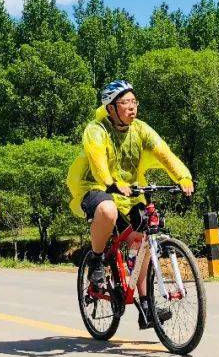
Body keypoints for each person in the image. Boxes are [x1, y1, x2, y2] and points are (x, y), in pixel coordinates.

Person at [66, 80, 193, 329]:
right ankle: (97, 260)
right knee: (107, 210)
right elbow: (97, 159)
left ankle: (145, 305)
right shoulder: (96, 129)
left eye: (134, 102)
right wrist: (110, 182)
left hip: (130, 191)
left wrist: (183, 176)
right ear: (111, 107)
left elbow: (164, 152)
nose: (132, 107)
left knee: (142, 238)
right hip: (94, 186)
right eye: (126, 102)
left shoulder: (141, 129)